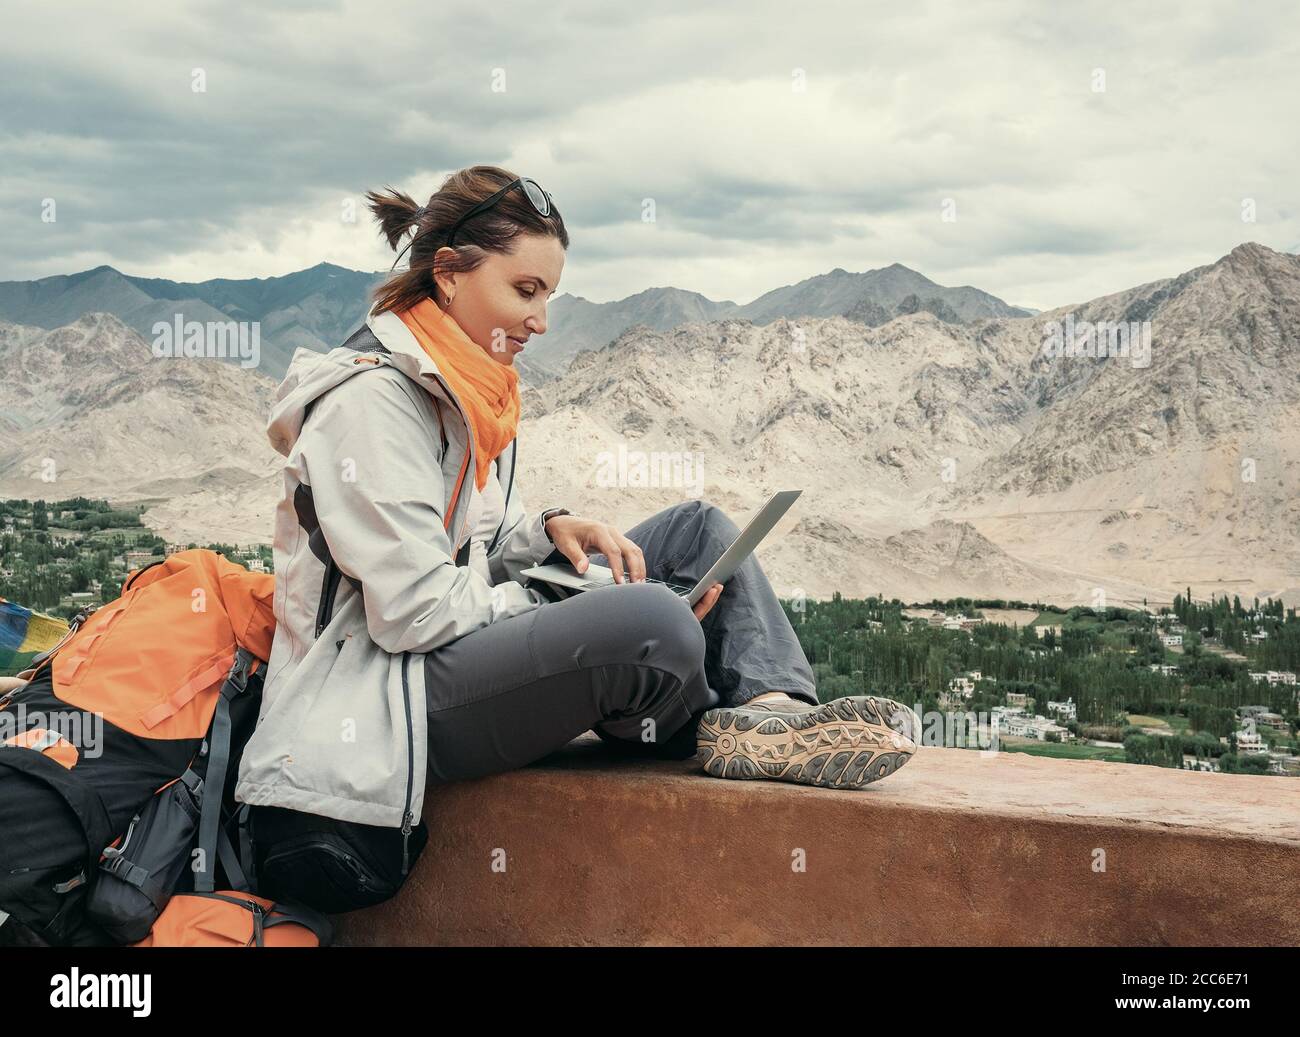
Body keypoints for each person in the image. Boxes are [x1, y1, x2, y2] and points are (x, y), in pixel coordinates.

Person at [236, 166, 920, 834]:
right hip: (390, 697)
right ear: (447, 272)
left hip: (441, 654)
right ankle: (705, 705)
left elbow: (486, 542)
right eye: (524, 289)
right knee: (656, 622)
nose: (539, 320)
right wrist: (572, 602)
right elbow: (414, 612)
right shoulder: (374, 403)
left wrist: (553, 530)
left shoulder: (473, 389)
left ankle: (772, 721)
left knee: (699, 532)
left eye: (548, 297)